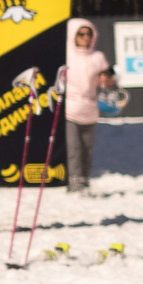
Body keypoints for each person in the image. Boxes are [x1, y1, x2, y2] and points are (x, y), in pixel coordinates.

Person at [62, 20, 112, 194]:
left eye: (89, 34)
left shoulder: (98, 57)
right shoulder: (66, 56)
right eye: (81, 34)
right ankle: (74, 183)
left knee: (87, 149)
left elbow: (109, 83)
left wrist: (106, 80)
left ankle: (84, 181)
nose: (85, 38)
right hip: (70, 109)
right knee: (73, 148)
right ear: (73, 36)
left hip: (90, 109)